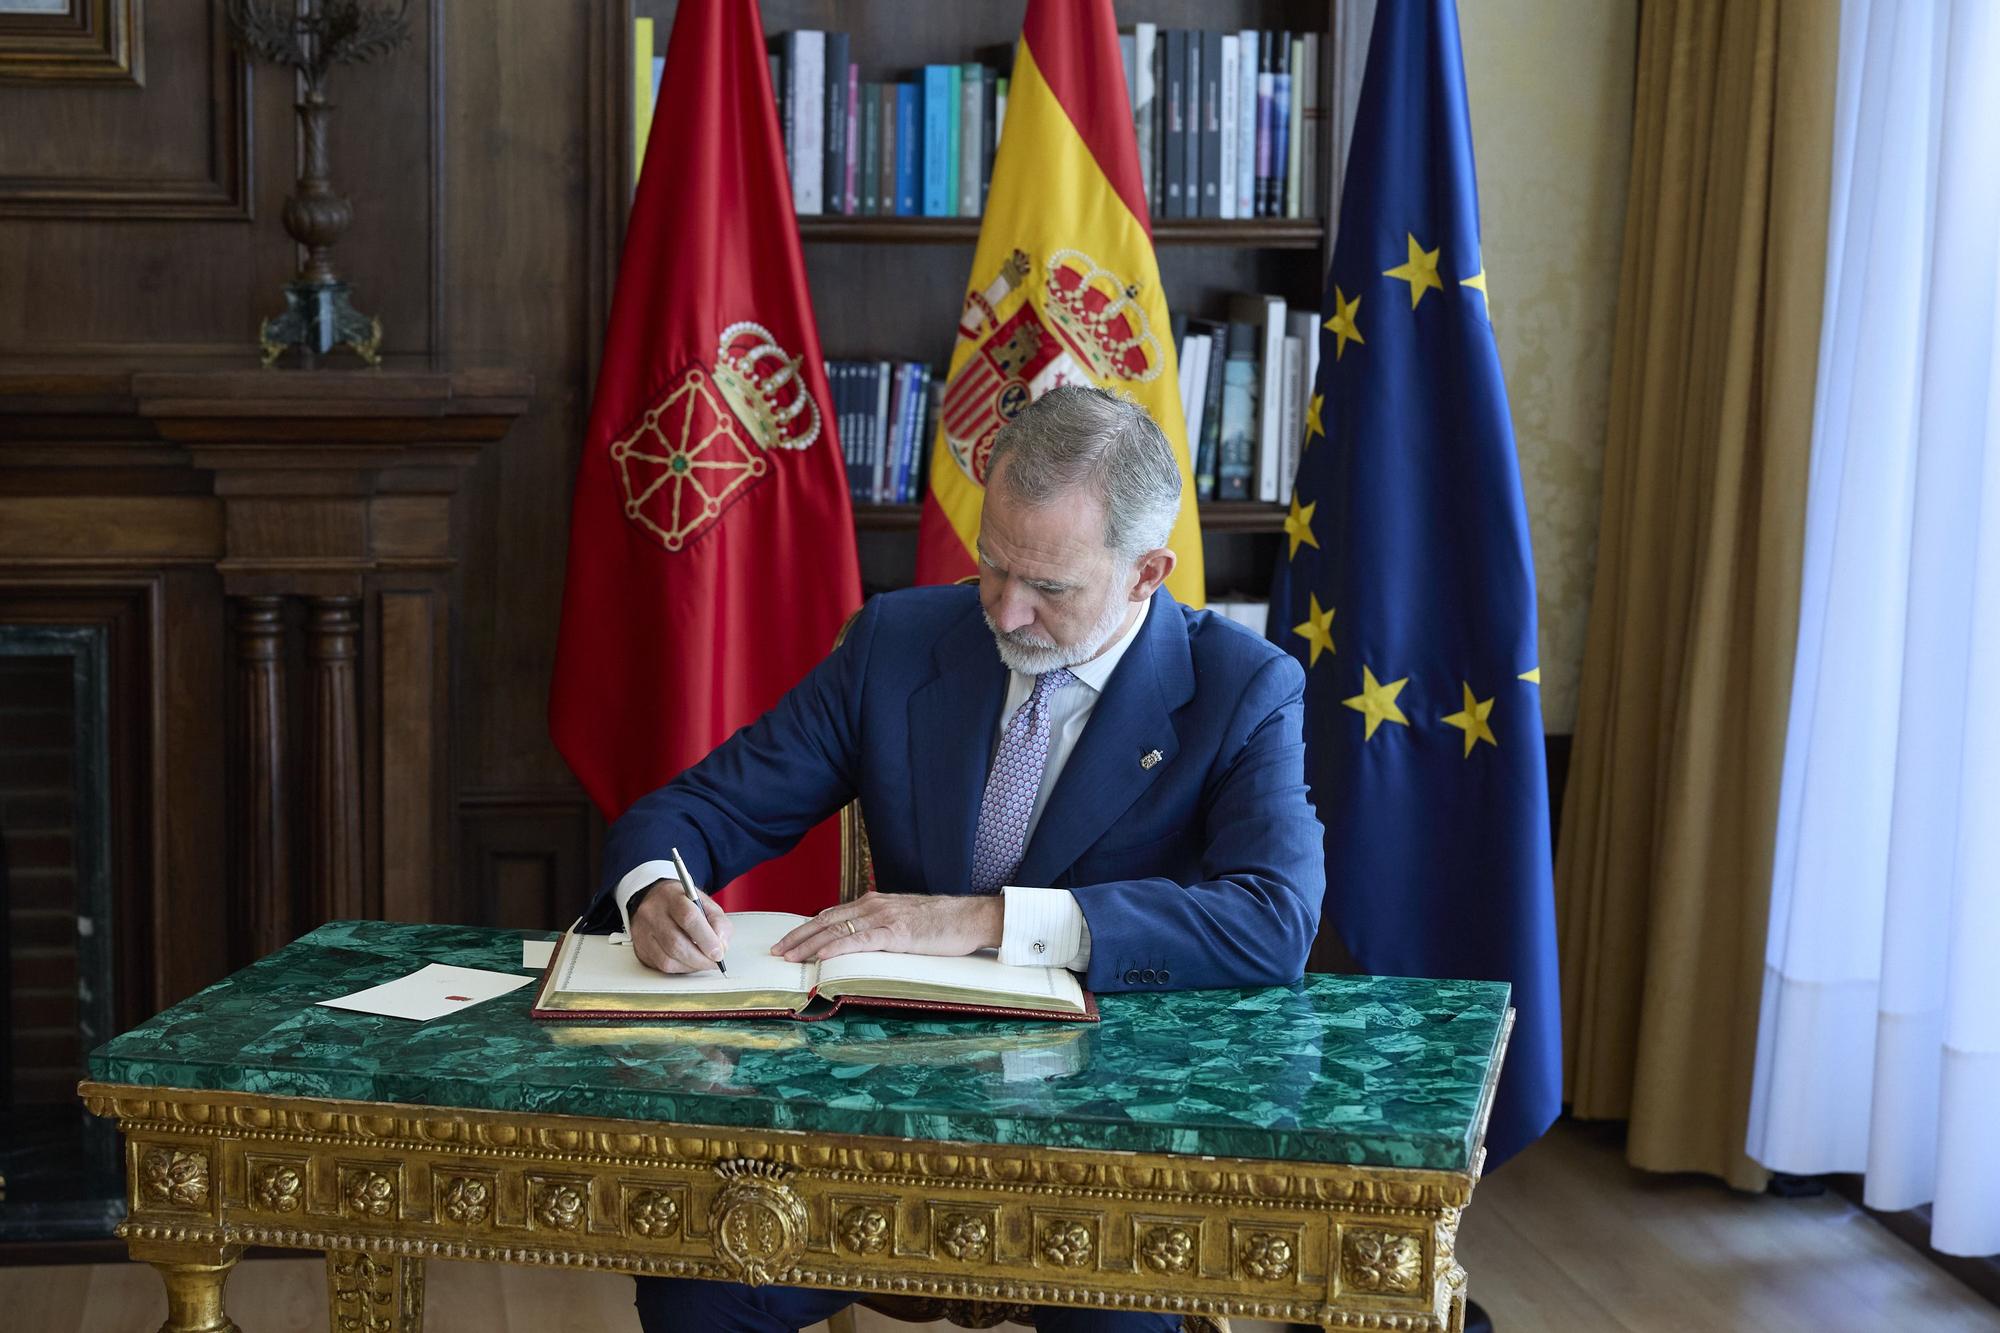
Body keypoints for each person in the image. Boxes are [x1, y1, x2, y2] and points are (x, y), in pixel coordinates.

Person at [586, 385, 1325, 1333]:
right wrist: (654, 891)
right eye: (991, 566)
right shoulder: (899, 640)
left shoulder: (1242, 687)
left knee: (1121, 1315)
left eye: (1049, 588)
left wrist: (985, 919)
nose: (1005, 612)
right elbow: (698, 808)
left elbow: (1273, 917)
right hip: (879, 1127)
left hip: (1110, 1147)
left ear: (1148, 572)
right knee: (696, 1284)